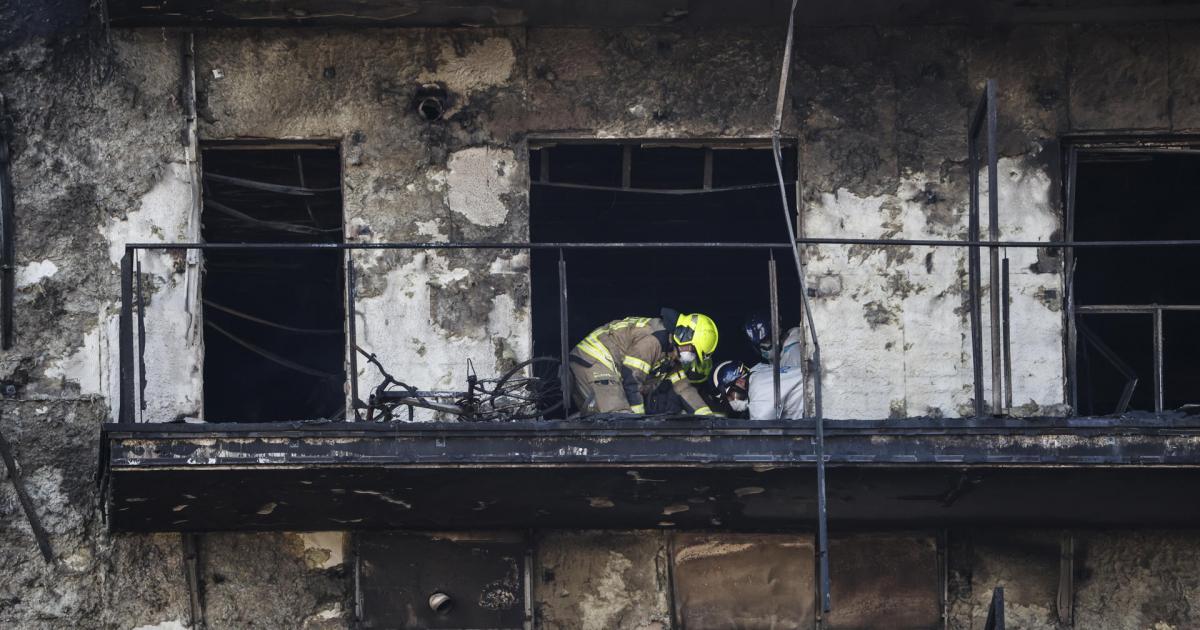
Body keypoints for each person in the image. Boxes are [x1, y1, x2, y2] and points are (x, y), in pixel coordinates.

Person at [570, 309, 718, 416]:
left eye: (694, 355)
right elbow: (631, 376)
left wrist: (708, 419)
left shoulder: (673, 354)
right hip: (594, 358)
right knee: (620, 418)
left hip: (607, 367)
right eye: (692, 350)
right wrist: (638, 418)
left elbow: (684, 388)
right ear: (684, 334)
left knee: (614, 419)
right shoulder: (655, 339)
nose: (690, 357)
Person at [713, 359, 805, 419]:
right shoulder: (759, 370)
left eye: (731, 397)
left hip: (814, 401)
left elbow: (763, 434)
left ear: (740, 381)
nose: (732, 403)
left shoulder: (758, 393)